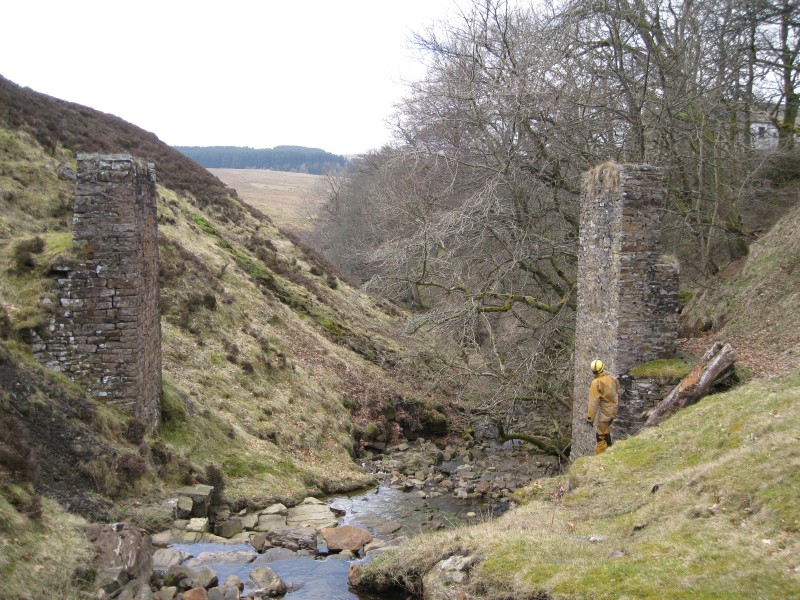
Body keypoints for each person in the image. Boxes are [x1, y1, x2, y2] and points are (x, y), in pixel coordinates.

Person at [587, 359, 619, 455]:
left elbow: (593, 402)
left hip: (604, 412)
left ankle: (600, 457)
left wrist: (590, 418)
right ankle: (610, 449)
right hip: (614, 410)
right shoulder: (612, 379)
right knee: (606, 431)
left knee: (600, 435)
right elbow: (618, 392)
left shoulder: (596, 383)